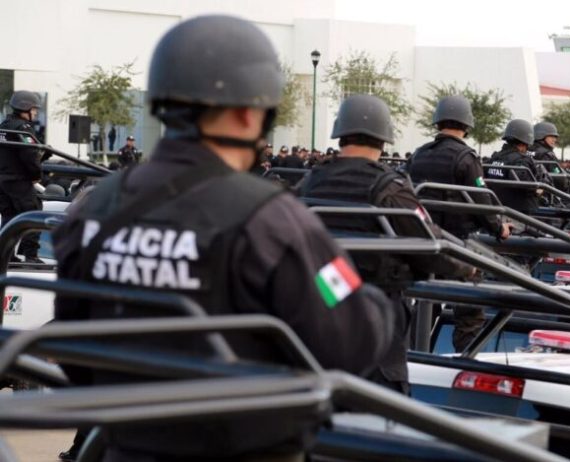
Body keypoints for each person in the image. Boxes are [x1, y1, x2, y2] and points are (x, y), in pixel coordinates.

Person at [52, 15, 394, 462]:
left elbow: (74, 347)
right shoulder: (272, 220)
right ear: (249, 112)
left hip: (126, 445)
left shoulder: (93, 207)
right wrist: (377, 307)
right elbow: (348, 341)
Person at [299, 94, 476, 393]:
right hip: (373, 309)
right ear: (383, 139)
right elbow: (430, 246)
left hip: (322, 299)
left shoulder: (311, 181)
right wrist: (467, 268)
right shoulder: (389, 188)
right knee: (382, 398)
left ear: (340, 134)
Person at [406, 95, 509, 352]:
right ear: (467, 124)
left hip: (425, 241)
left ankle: (415, 356)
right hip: (458, 245)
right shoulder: (466, 157)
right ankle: (466, 359)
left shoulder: (419, 154)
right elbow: (481, 201)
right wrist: (499, 228)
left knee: (426, 304)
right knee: (470, 310)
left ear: (438, 121)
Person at [0, 90, 45, 263]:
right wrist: (36, 175)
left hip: (3, 181)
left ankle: (6, 255)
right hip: (18, 180)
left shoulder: (3, 126)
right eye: (34, 109)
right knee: (34, 213)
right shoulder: (23, 128)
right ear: (24, 108)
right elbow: (30, 155)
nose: (35, 113)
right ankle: (31, 256)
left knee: (9, 217)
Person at [485, 119, 540, 214]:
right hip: (519, 214)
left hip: (497, 210)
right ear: (524, 143)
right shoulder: (522, 160)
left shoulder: (494, 158)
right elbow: (529, 187)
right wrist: (539, 190)